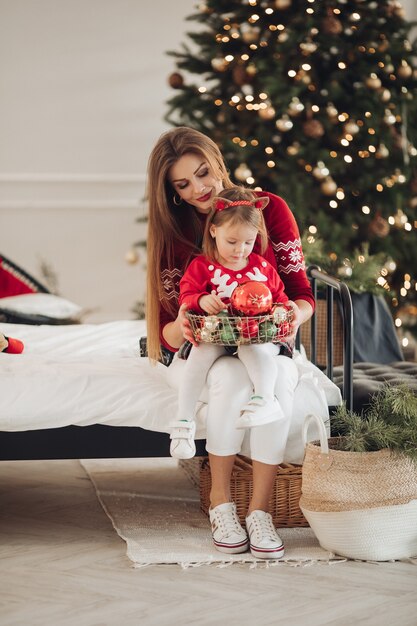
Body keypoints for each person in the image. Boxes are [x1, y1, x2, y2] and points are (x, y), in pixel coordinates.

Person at [146, 126, 314, 560]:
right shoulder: (174, 230)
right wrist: (186, 319)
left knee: (272, 380)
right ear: (173, 193)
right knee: (227, 380)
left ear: (217, 164)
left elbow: (301, 291)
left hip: (266, 340)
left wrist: (291, 314)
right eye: (182, 184)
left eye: (204, 173)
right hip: (204, 346)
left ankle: (260, 513)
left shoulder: (267, 209)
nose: (199, 189)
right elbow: (166, 330)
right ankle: (222, 504)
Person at [170, 186, 293, 460]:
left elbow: (280, 298)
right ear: (213, 231)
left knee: (254, 348)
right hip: (216, 336)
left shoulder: (261, 268)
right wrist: (201, 300)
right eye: (232, 241)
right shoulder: (202, 266)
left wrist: (284, 309)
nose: (240, 250)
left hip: (253, 335)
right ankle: (183, 422)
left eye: (248, 242)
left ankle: (264, 399)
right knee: (200, 354)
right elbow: (186, 294)